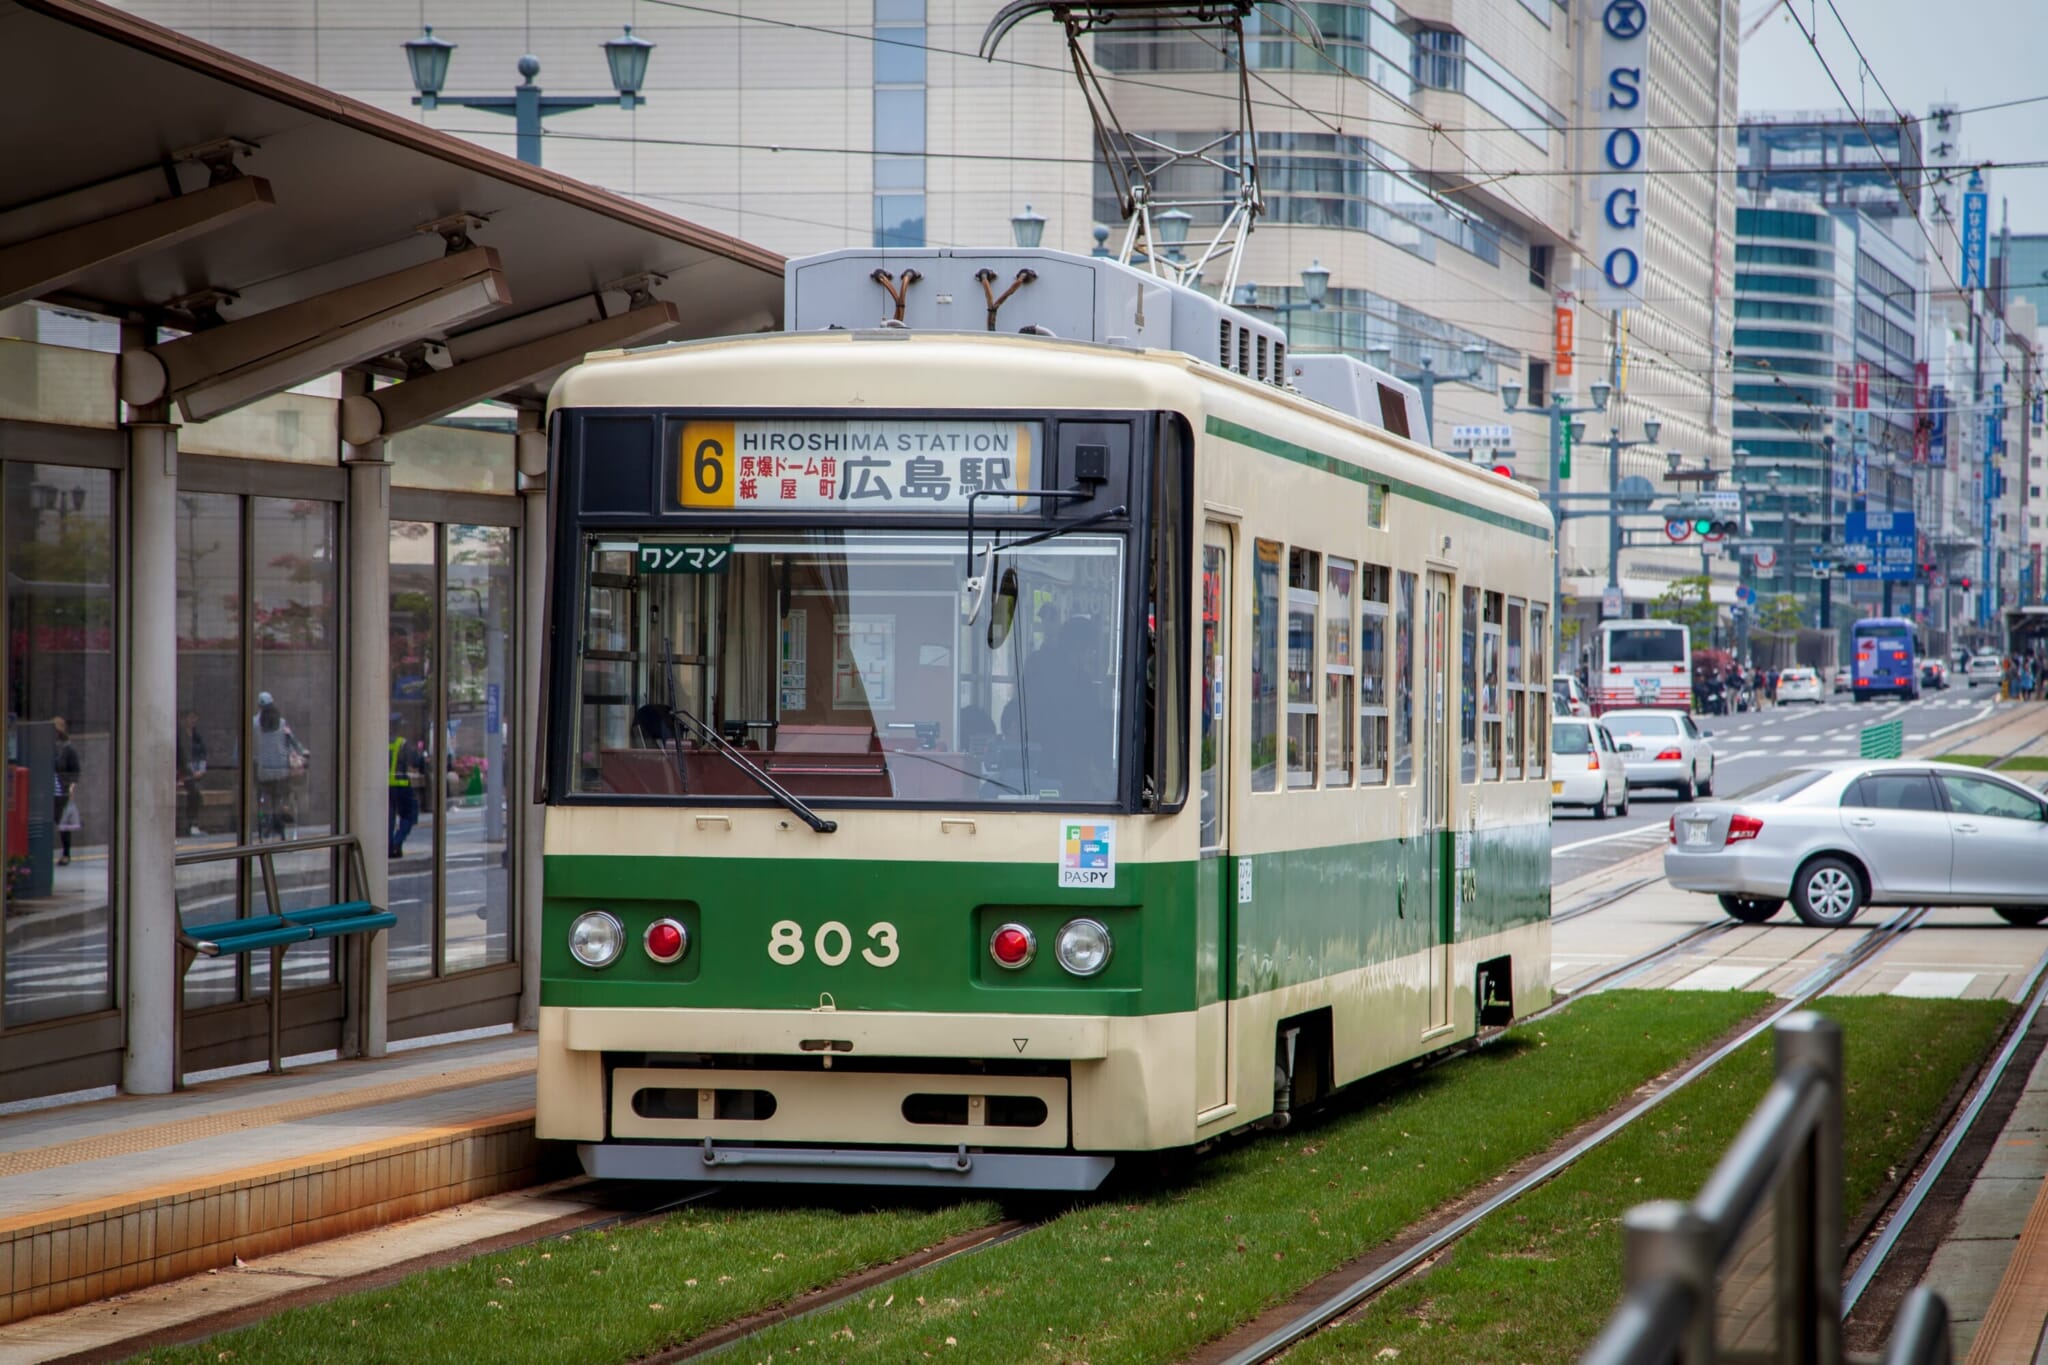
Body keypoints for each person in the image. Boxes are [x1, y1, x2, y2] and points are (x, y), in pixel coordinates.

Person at [252, 692, 309, 840]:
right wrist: (301, 753)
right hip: (281, 771)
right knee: (280, 794)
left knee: (264, 792)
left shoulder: (253, 724)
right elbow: (291, 742)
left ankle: (266, 819)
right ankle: (278, 818)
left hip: (262, 771)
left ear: (259, 706)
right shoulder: (282, 723)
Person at [388, 719, 428, 860]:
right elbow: (415, 761)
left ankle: (389, 846)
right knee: (410, 814)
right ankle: (397, 842)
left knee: (389, 818)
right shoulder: (402, 743)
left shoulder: (381, 741)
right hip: (400, 785)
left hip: (385, 787)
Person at [52, 716, 81, 866]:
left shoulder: (68, 749)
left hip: (61, 791)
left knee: (63, 824)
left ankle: (66, 853)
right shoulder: (49, 747)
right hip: (47, 791)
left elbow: (75, 771)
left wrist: (71, 787)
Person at [176, 710, 208, 837]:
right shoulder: (179, 736)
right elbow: (180, 757)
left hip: (197, 771)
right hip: (184, 773)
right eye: (190, 717)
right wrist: (190, 771)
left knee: (197, 789)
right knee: (194, 792)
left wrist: (201, 769)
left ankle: (195, 824)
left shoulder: (197, 736)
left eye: (195, 717)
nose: (193, 720)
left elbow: (203, 753)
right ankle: (192, 824)